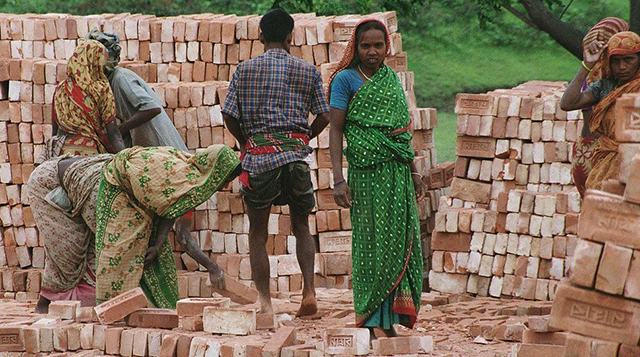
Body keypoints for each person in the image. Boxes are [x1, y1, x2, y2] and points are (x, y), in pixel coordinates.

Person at [221, 9, 330, 317]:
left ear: (260, 36)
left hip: (259, 160)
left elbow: (229, 114)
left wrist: (246, 143)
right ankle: (309, 291)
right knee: (301, 225)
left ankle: (266, 302)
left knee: (257, 233)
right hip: (295, 159)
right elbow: (324, 115)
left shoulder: (244, 70)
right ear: (289, 37)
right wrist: (304, 139)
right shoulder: (307, 71)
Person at [327, 19, 426, 338]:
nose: (372, 52)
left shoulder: (390, 79)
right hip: (366, 174)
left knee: (399, 240)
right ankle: (372, 321)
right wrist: (338, 180)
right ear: (355, 49)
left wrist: (413, 171)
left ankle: (390, 319)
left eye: (378, 45)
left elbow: (400, 130)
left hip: (397, 173)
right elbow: (337, 130)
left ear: (387, 47)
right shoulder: (344, 81)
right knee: (372, 244)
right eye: (365, 46)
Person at [94, 145, 241, 308]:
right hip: (119, 186)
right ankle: (111, 308)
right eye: (225, 180)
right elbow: (183, 237)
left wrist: (157, 245)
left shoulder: (192, 179)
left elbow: (168, 206)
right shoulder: (186, 180)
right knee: (123, 251)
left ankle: (153, 309)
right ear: (214, 171)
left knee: (156, 254)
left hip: (142, 193)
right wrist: (212, 268)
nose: (224, 187)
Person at [27, 153, 111, 312]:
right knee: (67, 251)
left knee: (89, 247)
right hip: (46, 186)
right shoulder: (102, 187)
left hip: (73, 191)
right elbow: (108, 236)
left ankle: (84, 307)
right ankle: (44, 307)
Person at [560, 31, 640, 191]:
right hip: (606, 159)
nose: (622, 67)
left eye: (628, 59)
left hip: (636, 161)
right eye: (615, 61)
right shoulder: (606, 86)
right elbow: (568, 103)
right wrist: (587, 65)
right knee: (600, 204)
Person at [86, 30, 189, 152]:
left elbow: (152, 108)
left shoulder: (121, 78)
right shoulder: (106, 84)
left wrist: (119, 130)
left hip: (163, 146)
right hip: (149, 150)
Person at [569, 18, 629, 197]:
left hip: (583, 153)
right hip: (604, 157)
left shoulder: (589, 79)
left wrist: (586, 65)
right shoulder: (609, 82)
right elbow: (566, 104)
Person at [50, 39, 125, 157]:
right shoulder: (101, 88)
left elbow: (55, 132)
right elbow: (113, 134)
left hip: (62, 152)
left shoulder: (61, 88)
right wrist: (124, 160)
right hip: (89, 152)